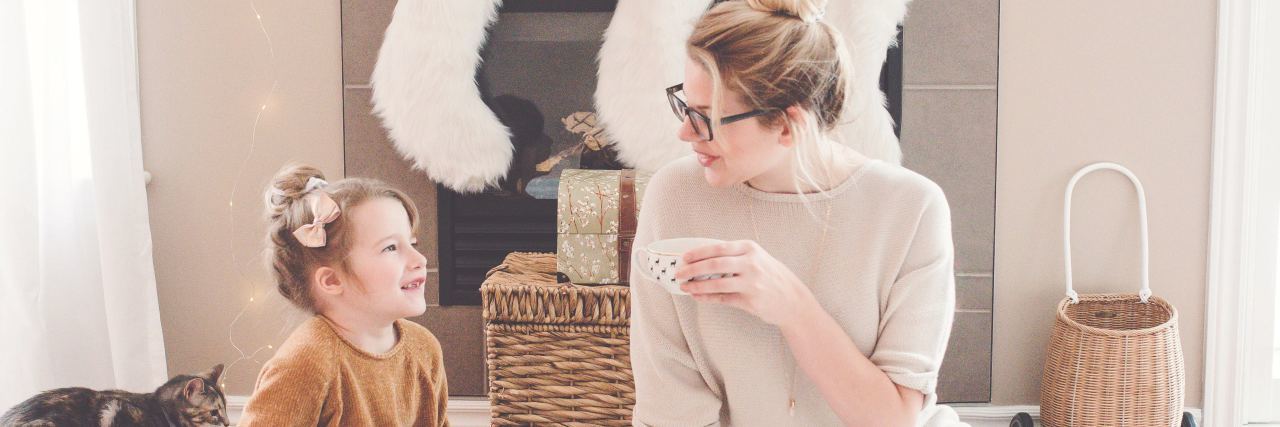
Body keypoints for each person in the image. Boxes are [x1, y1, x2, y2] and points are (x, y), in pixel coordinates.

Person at [629, 0, 966, 425]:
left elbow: (895, 418)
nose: (685, 132)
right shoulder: (675, 196)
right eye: (686, 106)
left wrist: (792, 306)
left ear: (788, 125)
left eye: (707, 117)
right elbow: (669, 411)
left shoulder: (911, 210)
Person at [239, 164, 449, 426]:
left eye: (412, 243)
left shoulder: (424, 348)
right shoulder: (305, 363)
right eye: (391, 247)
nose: (419, 259)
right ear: (332, 280)